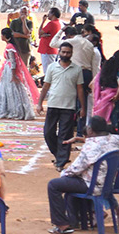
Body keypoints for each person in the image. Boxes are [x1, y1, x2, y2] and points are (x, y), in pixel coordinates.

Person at [46, 116, 119, 234]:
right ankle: (77, 220)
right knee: (72, 182)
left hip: (92, 185)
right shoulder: (117, 140)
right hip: (110, 183)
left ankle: (62, 225)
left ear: (90, 130)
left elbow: (75, 169)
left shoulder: (90, 147)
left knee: (54, 185)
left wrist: (64, 174)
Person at [38, 42, 85, 171]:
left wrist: (83, 108)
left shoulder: (77, 69)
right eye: (63, 52)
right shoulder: (52, 67)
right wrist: (39, 103)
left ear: (71, 54)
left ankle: (61, 162)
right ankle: (59, 155)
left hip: (69, 107)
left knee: (65, 135)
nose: (65, 54)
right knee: (48, 133)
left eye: (68, 52)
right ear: (59, 52)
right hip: (53, 104)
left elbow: (80, 89)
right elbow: (46, 86)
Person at [0, 28, 40, 120]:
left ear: (5, 36)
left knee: (11, 89)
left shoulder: (9, 47)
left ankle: (14, 110)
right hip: (8, 69)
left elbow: (13, 62)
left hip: (9, 70)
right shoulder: (11, 46)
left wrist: (13, 75)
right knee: (10, 89)